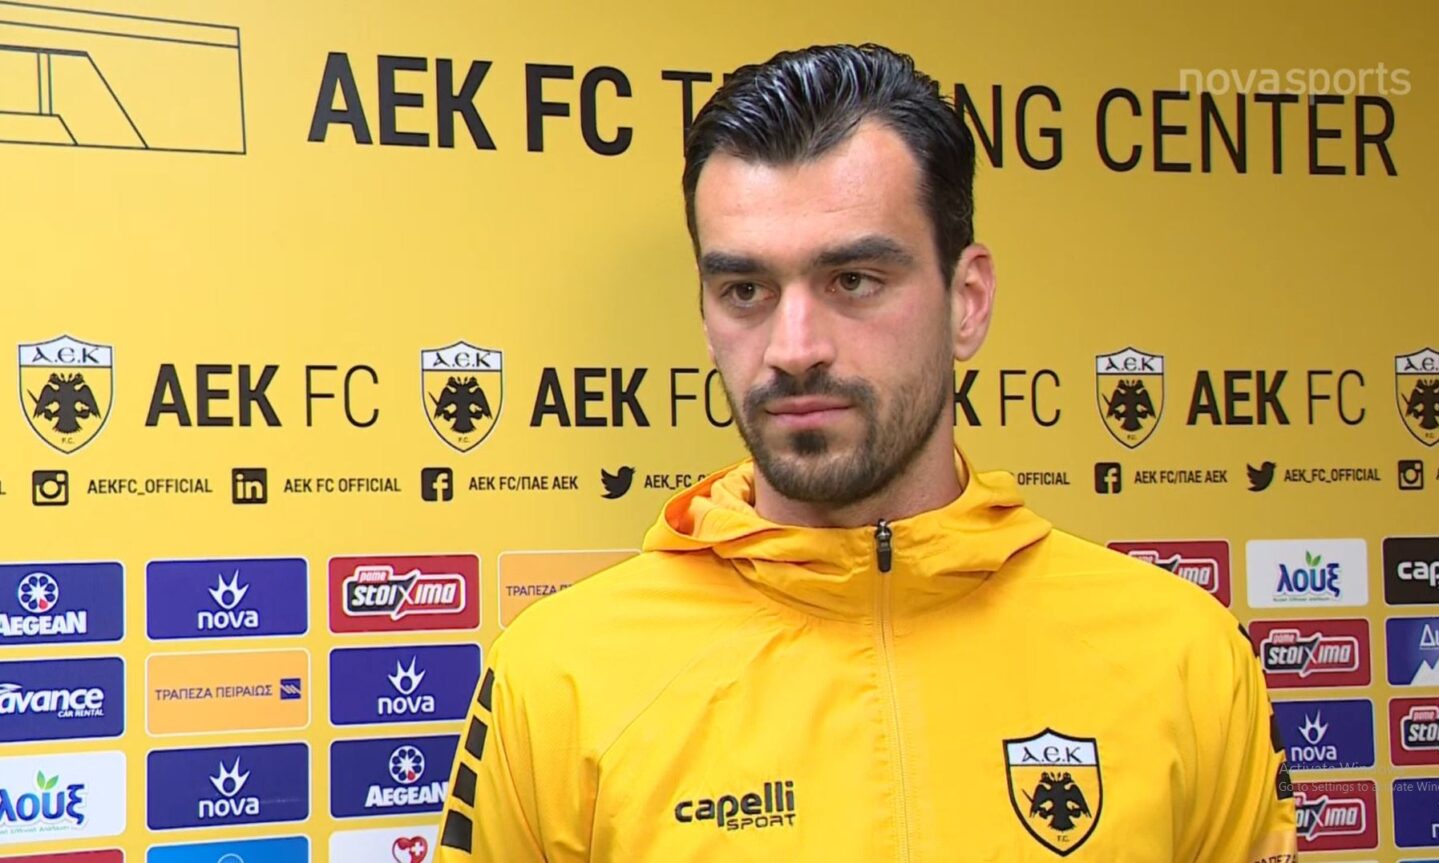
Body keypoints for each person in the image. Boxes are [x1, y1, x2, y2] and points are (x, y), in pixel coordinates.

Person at [436, 43, 1296, 862]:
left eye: (853, 281)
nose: (794, 348)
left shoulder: (1182, 657)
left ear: (967, 300)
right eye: (745, 289)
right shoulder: (558, 677)